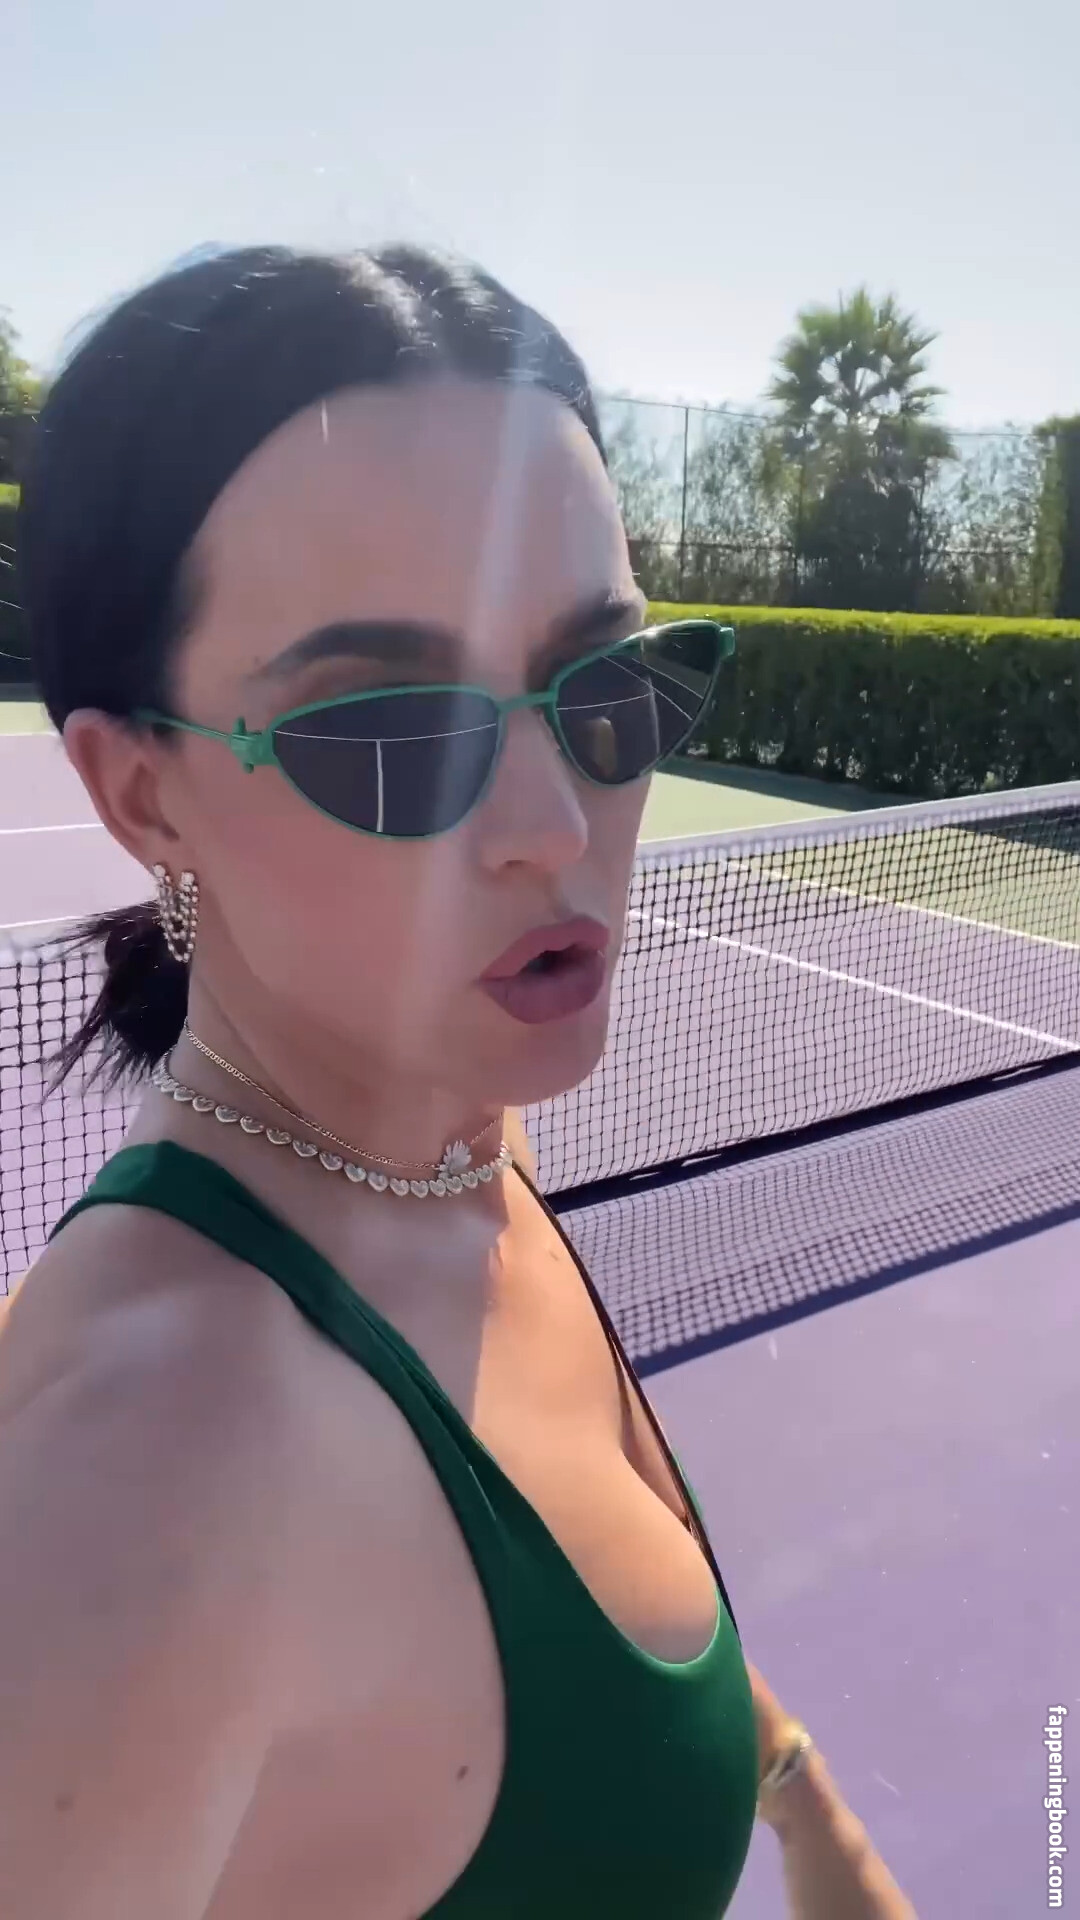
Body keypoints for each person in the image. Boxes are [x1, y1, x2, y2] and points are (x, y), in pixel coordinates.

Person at [0, 245, 917, 1919]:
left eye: (611, 688)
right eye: (389, 737)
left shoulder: (454, 1152)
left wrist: (805, 1807)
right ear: (142, 795)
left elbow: (609, 1599)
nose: (557, 829)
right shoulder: (158, 1473)